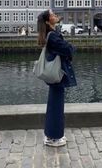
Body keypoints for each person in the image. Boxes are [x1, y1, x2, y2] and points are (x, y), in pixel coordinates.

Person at [37, 9, 77, 147]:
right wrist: (72, 47)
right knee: (56, 106)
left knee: (54, 104)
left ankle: (51, 135)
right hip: (58, 74)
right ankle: (54, 137)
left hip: (55, 75)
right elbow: (67, 49)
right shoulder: (52, 35)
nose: (55, 15)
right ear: (48, 21)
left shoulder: (50, 34)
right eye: (52, 15)